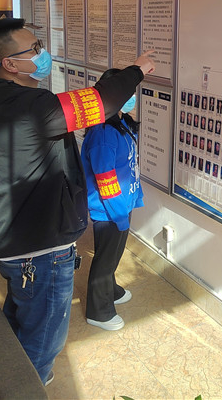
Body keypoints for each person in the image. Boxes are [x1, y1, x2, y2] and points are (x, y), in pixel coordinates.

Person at [0, 18, 155, 384]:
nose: (43, 54)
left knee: (21, 318)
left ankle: (3, 380)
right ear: (10, 63)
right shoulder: (30, 108)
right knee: (44, 337)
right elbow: (99, 102)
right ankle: (29, 386)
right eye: (34, 49)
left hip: (11, 240)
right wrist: (137, 70)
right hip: (39, 248)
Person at [81, 69, 146, 332]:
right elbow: (105, 177)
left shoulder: (121, 123)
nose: (131, 97)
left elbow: (129, 166)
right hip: (109, 210)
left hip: (121, 205)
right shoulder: (103, 133)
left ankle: (112, 289)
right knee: (105, 259)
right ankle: (99, 311)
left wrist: (135, 197)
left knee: (114, 255)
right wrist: (119, 212)